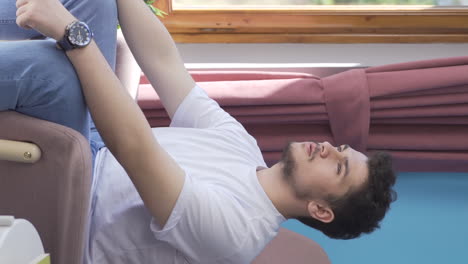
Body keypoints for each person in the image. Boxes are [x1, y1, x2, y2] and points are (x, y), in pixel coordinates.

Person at [1, 0, 397, 263]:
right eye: (341, 147)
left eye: (340, 166)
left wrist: (74, 33)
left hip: (74, 200)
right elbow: (165, 65)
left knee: (55, 69)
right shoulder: (243, 148)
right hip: (94, 150)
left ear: (320, 211)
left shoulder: (235, 234)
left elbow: (134, 147)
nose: (329, 148)